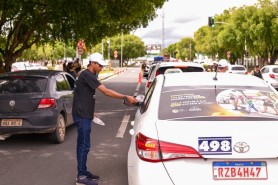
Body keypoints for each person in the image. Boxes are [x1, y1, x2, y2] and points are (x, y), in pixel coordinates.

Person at [72, 52, 138, 185]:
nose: (101, 67)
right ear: (92, 63)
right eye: (100, 65)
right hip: (82, 116)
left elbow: (81, 96)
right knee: (83, 146)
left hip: (85, 113)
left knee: (84, 145)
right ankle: (81, 176)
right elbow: (106, 92)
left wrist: (90, 111)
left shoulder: (87, 75)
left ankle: (83, 172)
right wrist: (125, 97)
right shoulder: (87, 75)